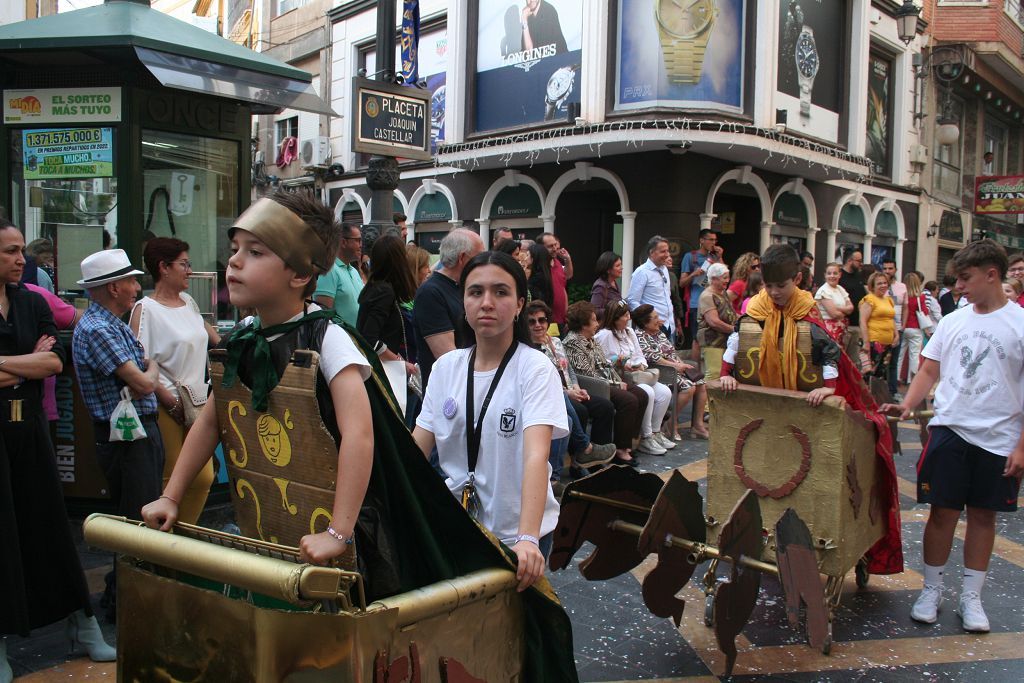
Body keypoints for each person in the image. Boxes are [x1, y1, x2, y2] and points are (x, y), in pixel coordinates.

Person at [720, 244, 904, 576]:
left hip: (803, 410)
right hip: (764, 408)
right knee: (764, 473)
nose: (775, 293)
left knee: (801, 479)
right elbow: (738, 345)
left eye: (782, 286)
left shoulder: (808, 313)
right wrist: (725, 378)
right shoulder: (755, 311)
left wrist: (827, 390)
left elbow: (829, 355)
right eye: (769, 286)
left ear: (799, 279)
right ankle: (766, 537)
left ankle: (801, 542)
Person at [881, 239, 1024, 634]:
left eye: (966, 278)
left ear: (992, 275)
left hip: (998, 438)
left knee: (982, 515)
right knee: (941, 512)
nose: (958, 287)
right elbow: (929, 369)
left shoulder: (1019, 324)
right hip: (949, 429)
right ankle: (931, 590)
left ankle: (971, 597)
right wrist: (908, 404)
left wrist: (1021, 446)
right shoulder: (952, 321)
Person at [0, 220, 115, 676]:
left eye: (18, 250)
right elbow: (40, 360)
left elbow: (53, 360)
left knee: (49, 527)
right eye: (9, 251)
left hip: (29, 430)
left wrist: (12, 365)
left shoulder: (30, 300)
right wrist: (28, 362)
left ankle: (81, 623)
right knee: (4, 534)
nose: (19, 259)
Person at [413, 251, 568, 580]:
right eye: (475, 292)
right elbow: (414, 453)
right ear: (463, 300)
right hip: (459, 530)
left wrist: (527, 538)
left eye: (501, 292)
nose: (487, 302)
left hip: (516, 536)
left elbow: (536, 456)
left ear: (520, 304)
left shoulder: (535, 369)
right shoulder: (446, 369)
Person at [72, 248, 164, 620]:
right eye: (130, 280)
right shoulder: (98, 329)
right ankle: (126, 600)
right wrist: (155, 367)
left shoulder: (110, 324)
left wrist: (148, 369)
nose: (135, 287)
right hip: (127, 439)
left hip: (135, 434)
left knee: (137, 514)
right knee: (136, 519)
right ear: (113, 287)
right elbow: (143, 380)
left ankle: (127, 593)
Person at [130, 237, 220, 525]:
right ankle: (165, 544)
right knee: (171, 478)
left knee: (203, 475)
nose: (190, 270)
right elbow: (139, 360)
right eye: (184, 264)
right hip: (164, 405)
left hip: (197, 402)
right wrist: (168, 401)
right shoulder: (145, 309)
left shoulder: (189, 303)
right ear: (163, 267)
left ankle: (182, 537)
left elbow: (215, 340)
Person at [526, 301, 616, 484]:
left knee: (605, 407)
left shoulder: (556, 342)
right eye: (532, 321)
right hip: (554, 395)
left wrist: (575, 387)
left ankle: (595, 463)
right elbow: (544, 384)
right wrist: (568, 393)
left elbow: (569, 370)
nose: (538, 325)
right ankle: (580, 459)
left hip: (569, 390)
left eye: (542, 320)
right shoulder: (529, 349)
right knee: (579, 411)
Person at [564, 301, 647, 465]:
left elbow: (604, 364)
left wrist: (617, 378)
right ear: (583, 324)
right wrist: (615, 384)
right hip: (592, 385)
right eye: (594, 320)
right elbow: (586, 372)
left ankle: (626, 443)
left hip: (604, 381)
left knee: (641, 394)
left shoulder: (591, 339)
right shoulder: (573, 342)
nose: (597, 323)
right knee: (627, 400)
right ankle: (619, 449)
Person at [596, 301, 674, 454]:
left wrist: (639, 365)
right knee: (648, 392)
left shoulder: (629, 332)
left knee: (665, 392)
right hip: (619, 378)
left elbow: (640, 355)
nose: (628, 318)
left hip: (637, 375)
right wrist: (619, 363)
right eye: (625, 315)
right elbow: (601, 362)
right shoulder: (604, 335)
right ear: (615, 318)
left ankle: (656, 432)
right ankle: (646, 437)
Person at [412, 228, 484, 390]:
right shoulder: (430, 292)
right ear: (462, 258)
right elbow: (446, 356)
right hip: (449, 391)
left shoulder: (462, 287)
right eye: (479, 257)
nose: (483, 263)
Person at [357, 235, 419, 417]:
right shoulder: (384, 291)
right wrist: (401, 362)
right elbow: (370, 338)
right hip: (388, 376)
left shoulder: (375, 288)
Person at [632, 304, 708, 440]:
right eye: (655, 317)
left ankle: (697, 425)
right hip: (661, 371)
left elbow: (671, 352)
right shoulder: (640, 336)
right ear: (645, 322)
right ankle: (671, 423)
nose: (659, 320)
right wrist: (676, 366)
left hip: (676, 368)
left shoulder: (659, 333)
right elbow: (654, 358)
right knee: (689, 387)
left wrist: (681, 364)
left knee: (701, 383)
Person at [679, 229, 723, 357]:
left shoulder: (714, 257)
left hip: (715, 302)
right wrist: (694, 274)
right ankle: (695, 371)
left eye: (715, 240)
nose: (713, 243)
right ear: (701, 240)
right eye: (710, 239)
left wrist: (720, 257)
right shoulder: (690, 256)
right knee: (697, 338)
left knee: (716, 337)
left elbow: (724, 275)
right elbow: (682, 283)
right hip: (696, 303)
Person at [625, 236, 676, 341]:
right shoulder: (642, 272)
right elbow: (632, 301)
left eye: (667, 251)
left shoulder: (664, 269)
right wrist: (648, 320)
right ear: (652, 252)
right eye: (663, 251)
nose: (667, 254)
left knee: (670, 357)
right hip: (650, 328)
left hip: (669, 325)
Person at [313, 222, 364, 327]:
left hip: (358, 340)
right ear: (343, 242)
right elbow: (324, 316)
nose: (361, 245)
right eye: (357, 240)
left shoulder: (353, 271)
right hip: (342, 339)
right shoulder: (329, 271)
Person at [697, 262, 736, 382]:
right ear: (713, 279)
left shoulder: (723, 293)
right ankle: (707, 401)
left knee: (723, 374)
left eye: (728, 277)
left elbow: (730, 313)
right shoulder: (707, 296)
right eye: (724, 278)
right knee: (714, 374)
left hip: (724, 341)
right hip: (712, 341)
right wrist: (734, 329)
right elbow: (713, 322)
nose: (727, 281)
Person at [858, 271, 898, 381]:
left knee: (881, 374)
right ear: (872, 286)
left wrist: (896, 334)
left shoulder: (889, 300)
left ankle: (876, 397)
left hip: (887, 342)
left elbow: (891, 318)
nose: (883, 285)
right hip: (873, 341)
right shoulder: (869, 299)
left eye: (885, 283)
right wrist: (866, 342)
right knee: (869, 373)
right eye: (879, 283)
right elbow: (863, 321)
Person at [897, 273, 928, 388]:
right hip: (915, 328)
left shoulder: (902, 296)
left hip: (902, 327)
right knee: (914, 355)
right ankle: (911, 379)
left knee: (899, 355)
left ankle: (897, 378)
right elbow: (924, 312)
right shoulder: (920, 297)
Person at [536, 233, 573, 328]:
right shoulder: (537, 268)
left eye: (555, 244)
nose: (555, 248)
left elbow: (565, 281)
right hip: (545, 321)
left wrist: (567, 259)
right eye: (550, 246)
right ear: (541, 248)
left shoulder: (557, 263)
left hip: (561, 320)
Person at [882, 259, 907, 396]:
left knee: (894, 361)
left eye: (890, 268)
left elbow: (906, 307)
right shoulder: (879, 286)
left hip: (897, 327)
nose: (887, 271)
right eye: (885, 268)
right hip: (883, 328)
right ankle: (879, 391)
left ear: (895, 270)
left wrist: (903, 325)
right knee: (880, 361)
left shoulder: (902, 287)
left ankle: (892, 391)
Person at [837, 247, 866, 358]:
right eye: (858, 261)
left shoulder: (858, 276)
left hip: (857, 324)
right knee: (843, 357)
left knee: (855, 359)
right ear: (850, 261)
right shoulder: (840, 277)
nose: (860, 264)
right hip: (845, 324)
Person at [814, 262, 854, 342]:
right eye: (829, 273)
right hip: (828, 331)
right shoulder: (823, 291)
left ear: (840, 275)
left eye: (835, 273)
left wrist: (837, 307)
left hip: (842, 330)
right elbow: (835, 314)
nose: (832, 276)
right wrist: (845, 311)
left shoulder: (840, 289)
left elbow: (851, 308)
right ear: (825, 275)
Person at [590, 250, 623, 317]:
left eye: (621, 264)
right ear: (608, 270)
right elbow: (595, 310)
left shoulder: (613, 282)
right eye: (617, 266)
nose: (621, 268)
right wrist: (615, 312)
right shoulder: (600, 286)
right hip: (605, 326)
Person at [527, 242, 554, 309]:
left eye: (527, 255)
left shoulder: (537, 278)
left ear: (533, 258)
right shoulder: (544, 274)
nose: (525, 258)